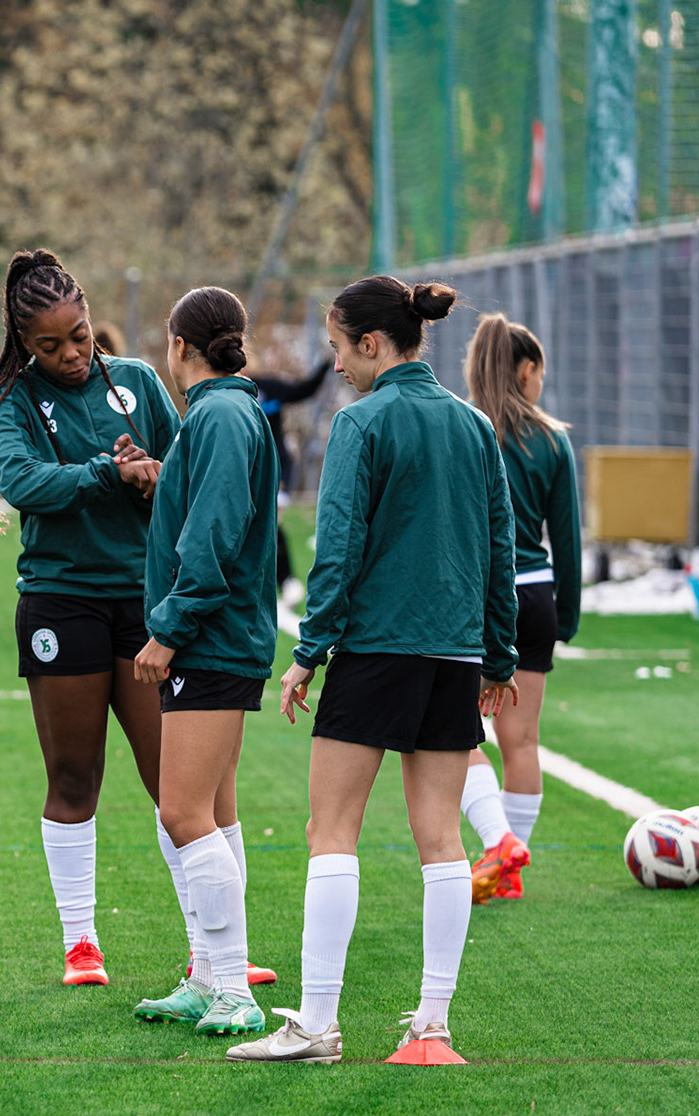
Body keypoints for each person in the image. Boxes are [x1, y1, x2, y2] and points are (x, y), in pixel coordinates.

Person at [228, 275, 518, 1066]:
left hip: (378, 651)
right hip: (454, 657)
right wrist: (498, 656)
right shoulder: (472, 425)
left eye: (335, 347)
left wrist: (308, 653)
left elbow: (341, 548)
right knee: (442, 843)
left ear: (370, 343)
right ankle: (432, 1028)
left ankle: (318, 1025)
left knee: (332, 832)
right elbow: (502, 547)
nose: (335, 364)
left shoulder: (363, 422)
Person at [0, 250, 181, 987]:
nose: (70, 354)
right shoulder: (14, 402)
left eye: (80, 336)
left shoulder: (141, 383)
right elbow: (23, 482)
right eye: (50, 345)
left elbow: (188, 479)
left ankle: (211, 946)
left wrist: (155, 476)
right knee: (73, 774)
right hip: (61, 602)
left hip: (145, 603)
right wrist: (107, 471)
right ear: (24, 343)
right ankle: (80, 942)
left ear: (92, 319)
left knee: (174, 780)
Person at [129, 287, 278, 1036]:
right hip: (221, 637)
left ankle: (235, 990)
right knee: (210, 814)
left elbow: (215, 536)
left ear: (178, 345)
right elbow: (209, 508)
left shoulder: (219, 413)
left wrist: (170, 628)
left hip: (211, 639)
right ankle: (208, 975)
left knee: (182, 812)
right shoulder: (224, 413)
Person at [457, 313, 581, 902]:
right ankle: (510, 872)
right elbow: (569, 539)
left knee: (449, 735)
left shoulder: (460, 427)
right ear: (527, 370)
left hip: (471, 598)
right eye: (540, 374)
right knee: (522, 741)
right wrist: (569, 616)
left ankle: (500, 841)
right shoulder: (553, 439)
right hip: (534, 597)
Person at [249, 357, 332, 591]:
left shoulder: (267, 387)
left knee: (272, 522)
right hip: (246, 470)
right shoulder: (223, 393)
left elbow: (303, 390)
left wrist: (324, 366)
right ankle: (279, 580)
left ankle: (285, 580)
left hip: (276, 468)